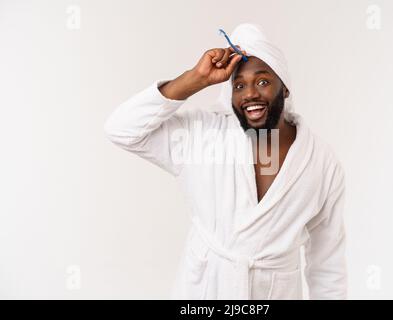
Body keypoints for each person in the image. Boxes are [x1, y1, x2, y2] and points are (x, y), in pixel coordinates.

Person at [104, 23, 347, 299]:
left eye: (263, 81)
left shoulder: (321, 162)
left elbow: (328, 264)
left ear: (286, 88)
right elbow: (120, 129)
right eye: (239, 85)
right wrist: (193, 79)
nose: (250, 94)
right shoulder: (203, 136)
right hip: (205, 292)